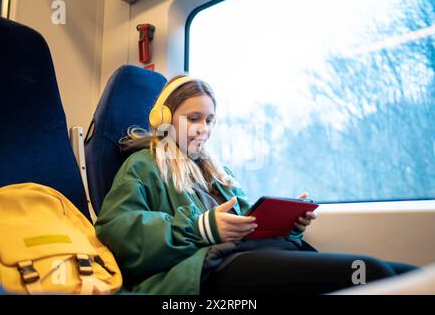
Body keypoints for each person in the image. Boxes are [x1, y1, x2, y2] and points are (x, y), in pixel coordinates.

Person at [94, 75, 418, 295]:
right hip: (197, 272)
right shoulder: (143, 166)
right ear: (162, 118)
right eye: (193, 118)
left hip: (240, 256)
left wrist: (287, 225)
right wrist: (200, 229)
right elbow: (117, 231)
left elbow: (248, 221)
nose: (203, 129)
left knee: (406, 273)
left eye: (209, 121)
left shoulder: (218, 172)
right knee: (371, 272)